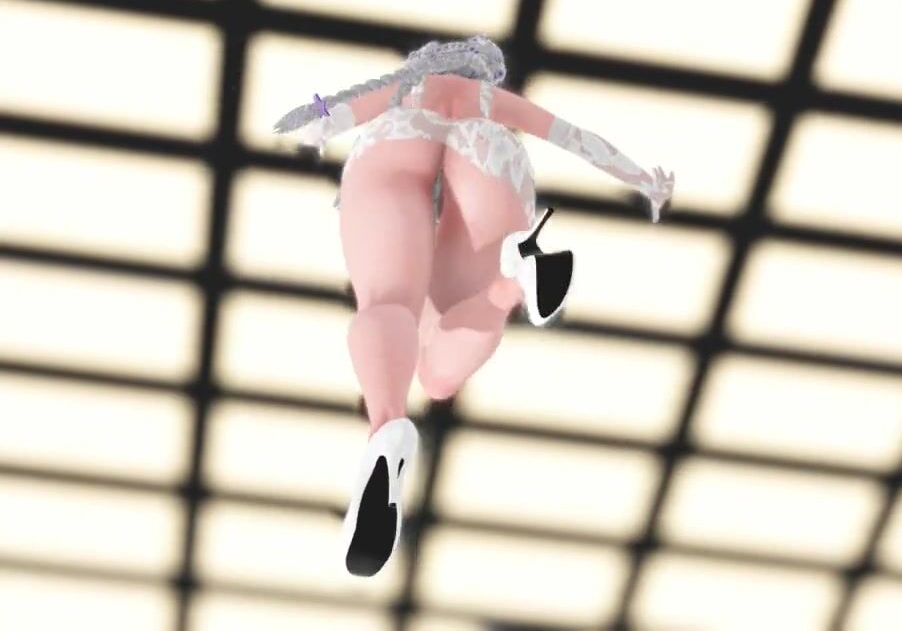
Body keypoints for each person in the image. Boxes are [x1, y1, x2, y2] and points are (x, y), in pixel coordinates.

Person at [273, 35, 675, 577]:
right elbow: (576, 139)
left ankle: (387, 424)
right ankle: (514, 277)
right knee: (439, 375)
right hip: (489, 153)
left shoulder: (407, 88)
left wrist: (316, 117)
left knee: (389, 300)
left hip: (398, 142)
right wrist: (644, 180)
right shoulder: (491, 101)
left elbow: (330, 114)